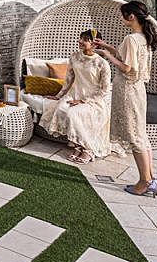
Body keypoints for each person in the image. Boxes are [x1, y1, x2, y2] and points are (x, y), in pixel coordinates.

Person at [95, 0, 157, 196]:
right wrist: (107, 46)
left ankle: (144, 182)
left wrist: (107, 56)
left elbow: (127, 68)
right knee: (141, 135)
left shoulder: (132, 39)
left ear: (131, 17)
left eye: (123, 15)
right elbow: (127, 57)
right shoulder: (143, 37)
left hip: (128, 91)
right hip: (138, 90)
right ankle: (151, 178)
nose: (121, 19)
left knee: (134, 137)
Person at [40, 30, 112, 164]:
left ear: (95, 44)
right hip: (74, 94)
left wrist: (83, 101)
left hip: (93, 99)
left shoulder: (102, 64)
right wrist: (58, 96)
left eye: (85, 39)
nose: (80, 41)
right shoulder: (74, 56)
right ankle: (78, 146)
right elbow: (69, 79)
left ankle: (88, 149)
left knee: (72, 114)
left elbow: (105, 90)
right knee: (61, 109)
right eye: (80, 38)